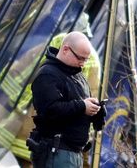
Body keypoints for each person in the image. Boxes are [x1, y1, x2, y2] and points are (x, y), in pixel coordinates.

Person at [29, 31, 106, 168]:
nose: (83, 64)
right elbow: (50, 110)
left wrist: (95, 111)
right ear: (65, 49)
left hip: (74, 152)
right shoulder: (48, 74)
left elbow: (76, 110)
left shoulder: (77, 75)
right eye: (80, 58)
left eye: (85, 60)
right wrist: (83, 106)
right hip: (57, 151)